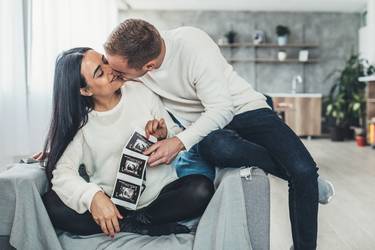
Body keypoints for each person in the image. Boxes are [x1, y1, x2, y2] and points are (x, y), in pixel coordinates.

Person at [103, 19, 333, 250]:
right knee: (219, 148)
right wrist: (166, 132)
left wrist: (178, 142)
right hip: (207, 127)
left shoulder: (192, 45)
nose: (115, 74)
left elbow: (222, 109)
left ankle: (305, 189)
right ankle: (302, 180)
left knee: (304, 170)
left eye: (120, 72)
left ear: (149, 66)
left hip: (247, 110)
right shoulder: (134, 59)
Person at [40, 47, 214, 238]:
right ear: (85, 90)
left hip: (159, 197)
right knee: (51, 204)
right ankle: (132, 224)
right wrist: (93, 197)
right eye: (99, 72)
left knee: (201, 188)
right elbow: (62, 174)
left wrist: (164, 135)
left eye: (105, 61)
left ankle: (138, 222)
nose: (110, 70)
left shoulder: (140, 91)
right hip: (114, 203)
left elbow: (176, 134)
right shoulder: (80, 125)